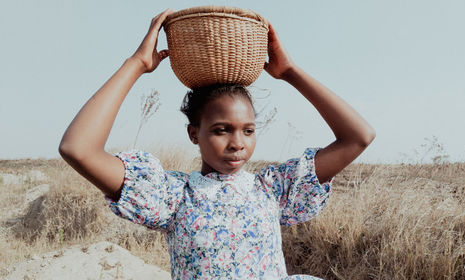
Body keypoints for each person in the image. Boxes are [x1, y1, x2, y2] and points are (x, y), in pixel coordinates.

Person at [59, 8, 375, 280]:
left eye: (248, 131)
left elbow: (358, 136)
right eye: (222, 130)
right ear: (194, 134)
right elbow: (78, 148)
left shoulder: (273, 190)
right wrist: (137, 64)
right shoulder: (171, 197)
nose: (238, 143)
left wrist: (290, 72)